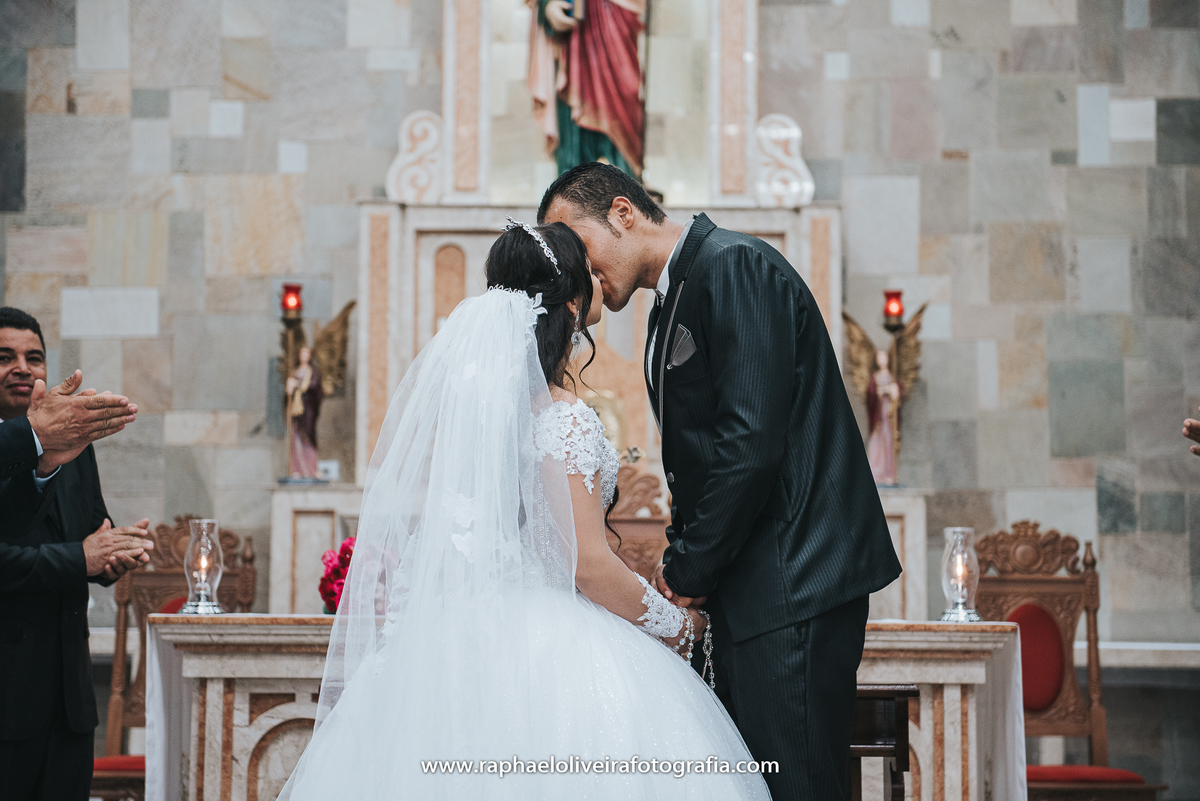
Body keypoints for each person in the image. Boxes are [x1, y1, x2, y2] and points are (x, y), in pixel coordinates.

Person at [280, 221, 770, 800]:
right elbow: (585, 563)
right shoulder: (562, 418)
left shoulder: (485, 413)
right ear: (569, 301)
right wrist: (679, 628)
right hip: (557, 643)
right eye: (587, 273)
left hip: (465, 632)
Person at [539, 163, 903, 801]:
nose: (577, 268)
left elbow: (750, 444)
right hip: (755, 588)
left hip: (794, 583)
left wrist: (685, 573)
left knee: (797, 788)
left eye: (580, 245)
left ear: (623, 213)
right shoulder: (673, 300)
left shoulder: (734, 266)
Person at [0, 307, 155, 801]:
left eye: (34, 357)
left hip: (69, 701)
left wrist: (115, 553)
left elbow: (93, 531)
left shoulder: (75, 443)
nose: (23, 367)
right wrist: (80, 558)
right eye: (5, 357)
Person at [285, 345, 322, 478]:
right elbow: (289, 393)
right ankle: (297, 469)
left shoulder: (313, 372)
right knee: (296, 438)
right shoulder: (294, 371)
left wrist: (297, 385)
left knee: (308, 437)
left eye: (307, 354)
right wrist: (289, 388)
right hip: (296, 410)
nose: (304, 356)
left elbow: (315, 388)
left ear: (310, 356)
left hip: (308, 409)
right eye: (302, 353)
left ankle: (311, 469)